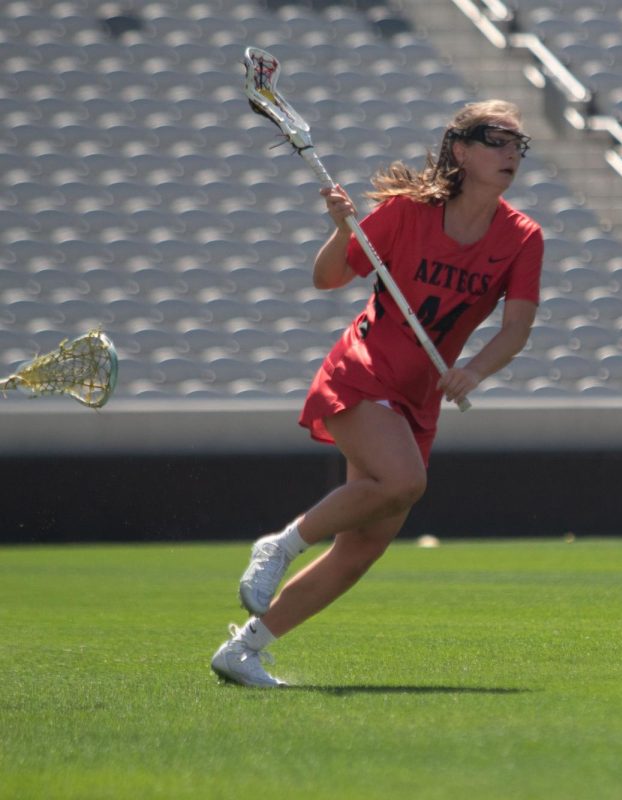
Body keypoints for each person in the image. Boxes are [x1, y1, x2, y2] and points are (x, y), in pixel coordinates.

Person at [211, 100, 543, 686]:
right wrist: (343, 231)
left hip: (419, 396)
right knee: (405, 482)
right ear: (461, 150)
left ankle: (244, 650)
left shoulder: (522, 238)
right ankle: (281, 545)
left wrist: (474, 370)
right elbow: (329, 277)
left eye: (519, 144)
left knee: (364, 545)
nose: (512, 153)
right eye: (498, 140)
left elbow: (515, 329)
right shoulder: (406, 212)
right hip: (363, 371)